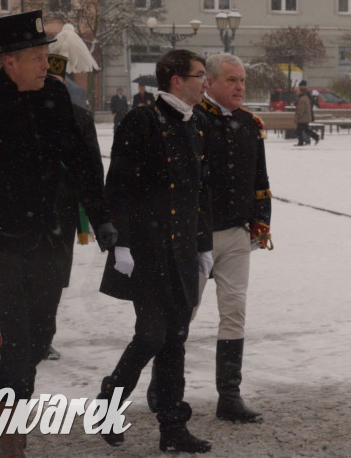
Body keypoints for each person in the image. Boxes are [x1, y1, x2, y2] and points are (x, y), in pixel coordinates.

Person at [0, 10, 115, 458]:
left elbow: (84, 163)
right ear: (9, 61)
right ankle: (9, 442)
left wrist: (101, 217)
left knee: (38, 335)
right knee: (12, 338)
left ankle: (17, 408)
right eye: (36, 57)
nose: (44, 65)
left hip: (50, 237)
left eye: (45, 56)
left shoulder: (55, 95)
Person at [96, 48, 213, 453]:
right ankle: (109, 402)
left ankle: (173, 427)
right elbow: (119, 186)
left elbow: (200, 191)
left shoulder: (198, 123)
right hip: (147, 249)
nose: (205, 82)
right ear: (176, 80)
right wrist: (122, 244)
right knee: (150, 336)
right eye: (199, 75)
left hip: (183, 249)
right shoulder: (142, 120)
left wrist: (204, 244)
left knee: (175, 339)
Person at [192, 53, 272, 424]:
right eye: (231, 80)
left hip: (237, 234)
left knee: (234, 312)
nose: (240, 87)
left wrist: (261, 221)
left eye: (242, 80)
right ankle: (165, 392)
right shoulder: (193, 121)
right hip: (196, 236)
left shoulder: (250, 124)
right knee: (184, 314)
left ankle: (229, 395)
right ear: (208, 82)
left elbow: (260, 180)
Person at [42, 27, 105, 363]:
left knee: (53, 277)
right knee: (22, 277)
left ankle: (42, 336)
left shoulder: (78, 110)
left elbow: (91, 167)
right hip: (24, 208)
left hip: (62, 208)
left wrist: (100, 215)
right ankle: (15, 336)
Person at [294, 81, 319, 146]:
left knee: (299, 130)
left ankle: (301, 142)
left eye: (298, 90)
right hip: (306, 116)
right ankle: (315, 137)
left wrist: (298, 116)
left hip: (303, 117)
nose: (297, 91)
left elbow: (301, 108)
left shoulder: (302, 98)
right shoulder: (305, 96)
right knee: (305, 129)